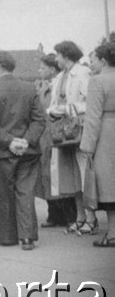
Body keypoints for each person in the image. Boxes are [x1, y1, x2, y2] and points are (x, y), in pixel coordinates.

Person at [0, 51, 45, 251]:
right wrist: (26, 141)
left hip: (1, 151)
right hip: (28, 151)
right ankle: (27, 237)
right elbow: (39, 120)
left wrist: (9, 142)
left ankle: (7, 236)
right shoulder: (29, 88)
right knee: (26, 193)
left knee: (3, 194)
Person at [47, 41, 97, 235]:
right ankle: (80, 217)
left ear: (66, 55)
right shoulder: (59, 77)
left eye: (58, 55)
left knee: (83, 173)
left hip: (79, 131)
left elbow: (89, 102)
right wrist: (53, 111)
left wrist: (65, 109)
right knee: (72, 176)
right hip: (63, 133)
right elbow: (54, 102)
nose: (56, 59)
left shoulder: (83, 73)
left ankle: (91, 219)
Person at [80, 42, 115, 247]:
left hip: (107, 135)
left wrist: (88, 147)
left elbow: (93, 117)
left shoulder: (98, 81)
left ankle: (112, 232)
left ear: (103, 60)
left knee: (109, 185)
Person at [36, 54, 76, 228]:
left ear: (52, 69)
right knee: (47, 175)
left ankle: (69, 214)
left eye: (42, 68)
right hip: (45, 137)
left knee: (61, 173)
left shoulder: (59, 87)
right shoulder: (42, 88)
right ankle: (54, 213)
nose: (39, 70)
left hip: (59, 135)